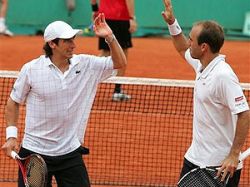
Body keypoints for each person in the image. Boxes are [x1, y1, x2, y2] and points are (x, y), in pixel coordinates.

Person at [1, 13, 126, 187]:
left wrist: (110, 37)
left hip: (69, 153)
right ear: (52, 44)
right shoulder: (31, 70)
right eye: (67, 41)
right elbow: (13, 102)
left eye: (73, 39)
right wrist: (11, 136)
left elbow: (120, 63)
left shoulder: (86, 65)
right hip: (34, 153)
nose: (73, 45)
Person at [161, 0, 250, 186]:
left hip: (219, 167)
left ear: (204, 47)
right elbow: (181, 47)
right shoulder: (202, 65)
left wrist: (234, 155)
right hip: (194, 159)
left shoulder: (223, 75)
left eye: (192, 40)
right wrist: (172, 23)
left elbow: (244, 112)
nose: (188, 42)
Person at [90, 0, 137, 101]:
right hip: (122, 17)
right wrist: (131, 18)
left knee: (105, 52)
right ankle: (117, 91)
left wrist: (95, 10)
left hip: (104, 17)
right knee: (122, 53)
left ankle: (84, 82)